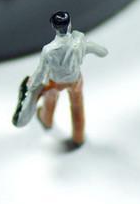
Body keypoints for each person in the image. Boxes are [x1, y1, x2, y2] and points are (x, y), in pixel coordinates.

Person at [12, 11, 107, 147]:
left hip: (55, 82)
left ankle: (47, 120)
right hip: (75, 81)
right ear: (69, 25)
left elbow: (41, 71)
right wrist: (90, 48)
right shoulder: (79, 43)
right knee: (77, 106)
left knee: (50, 101)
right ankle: (78, 137)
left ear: (54, 27)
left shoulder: (48, 50)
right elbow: (102, 52)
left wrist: (32, 84)